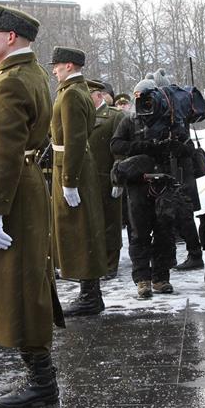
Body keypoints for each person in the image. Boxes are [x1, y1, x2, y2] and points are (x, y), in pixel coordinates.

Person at [0, 5, 63, 408]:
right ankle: (38, 373)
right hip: (21, 185)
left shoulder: (10, 83)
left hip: (9, 189)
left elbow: (5, 154)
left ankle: (42, 380)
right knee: (26, 279)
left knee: (20, 283)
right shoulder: (31, 74)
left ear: (10, 37)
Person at [110, 76, 189, 299]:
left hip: (164, 183)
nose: (142, 101)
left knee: (165, 231)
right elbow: (115, 144)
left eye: (145, 96)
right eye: (137, 97)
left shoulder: (170, 119)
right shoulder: (129, 121)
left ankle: (161, 278)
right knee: (139, 233)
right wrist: (141, 147)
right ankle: (142, 279)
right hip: (138, 184)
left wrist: (173, 144)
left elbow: (186, 149)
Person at [48, 47, 107, 317]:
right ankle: (89, 292)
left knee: (81, 230)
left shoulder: (71, 93)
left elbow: (73, 139)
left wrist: (69, 180)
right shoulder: (74, 90)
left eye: (58, 66)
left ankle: (90, 296)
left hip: (73, 167)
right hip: (74, 164)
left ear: (69, 66)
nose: (54, 70)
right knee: (82, 228)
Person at [86, 79, 126, 279]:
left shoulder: (114, 116)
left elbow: (119, 150)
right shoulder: (82, 116)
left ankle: (110, 264)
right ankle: (95, 263)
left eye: (89, 95)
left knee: (110, 223)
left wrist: (118, 179)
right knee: (90, 224)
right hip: (86, 179)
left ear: (99, 95)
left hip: (106, 177)